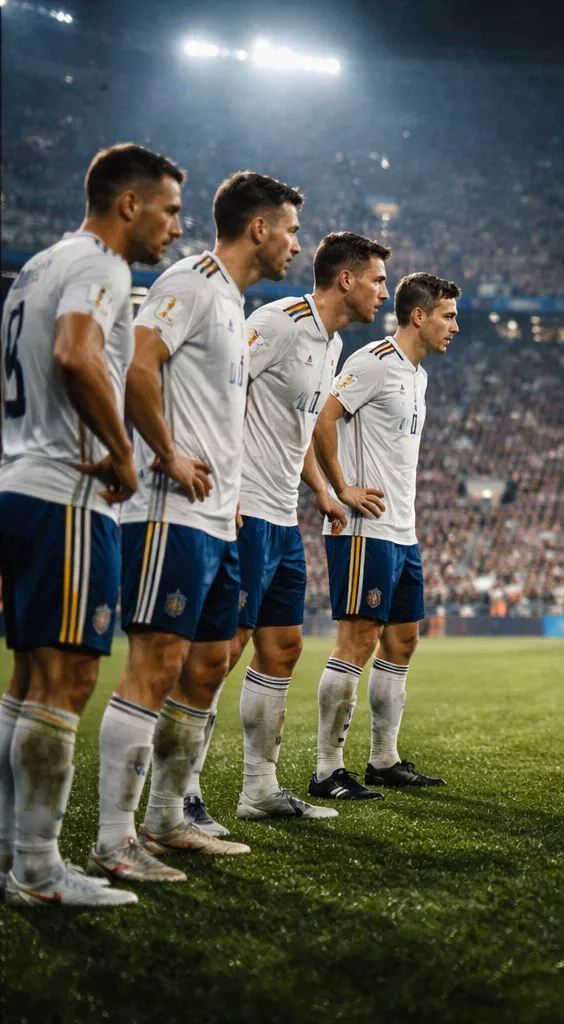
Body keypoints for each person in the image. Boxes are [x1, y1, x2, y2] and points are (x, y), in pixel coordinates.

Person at [89, 170, 305, 881]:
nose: (296, 246)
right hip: (168, 511)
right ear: (259, 228)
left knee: (209, 666)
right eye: (292, 231)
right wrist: (168, 452)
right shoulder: (190, 280)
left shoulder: (230, 301)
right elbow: (137, 369)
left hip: (219, 517)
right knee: (155, 666)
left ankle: (166, 819)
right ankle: (115, 840)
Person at [0, 144, 184, 907]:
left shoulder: (34, 268)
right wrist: (122, 452)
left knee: (24, 681)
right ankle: (39, 869)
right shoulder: (102, 266)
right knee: (70, 677)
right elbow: (77, 354)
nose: (177, 226)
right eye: (170, 209)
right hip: (67, 497)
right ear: (129, 204)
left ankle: (11, 856)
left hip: (17, 483)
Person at [181, 232, 391, 830]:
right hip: (244, 509)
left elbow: (294, 429)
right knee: (223, 651)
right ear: (346, 279)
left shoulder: (332, 342)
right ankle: (184, 794)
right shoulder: (278, 323)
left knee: (283, 647)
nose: (384, 292)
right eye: (377, 279)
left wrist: (325, 491)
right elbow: (222, 393)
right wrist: (228, 488)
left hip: (282, 518)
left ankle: (259, 790)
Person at [307, 272, 459, 801]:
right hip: (365, 529)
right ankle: (327, 771)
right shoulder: (372, 361)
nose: (454, 327)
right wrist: (340, 487)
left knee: (403, 639)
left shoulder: (417, 375)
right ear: (419, 315)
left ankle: (383, 760)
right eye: (448, 315)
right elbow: (323, 419)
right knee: (358, 641)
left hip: (402, 530)